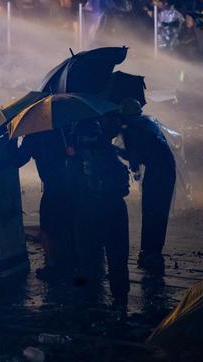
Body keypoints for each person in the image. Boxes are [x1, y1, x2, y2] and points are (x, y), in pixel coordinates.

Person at [70, 118, 130, 312]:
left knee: (87, 257)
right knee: (116, 257)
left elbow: (71, 188)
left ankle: (86, 296)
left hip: (89, 211)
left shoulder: (75, 158)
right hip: (112, 210)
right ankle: (120, 298)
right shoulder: (112, 154)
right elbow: (124, 188)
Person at [118, 98, 176, 275]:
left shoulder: (131, 129)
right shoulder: (147, 122)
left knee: (151, 209)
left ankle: (150, 252)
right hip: (165, 171)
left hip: (157, 172)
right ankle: (153, 251)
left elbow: (134, 159)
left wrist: (113, 150)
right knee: (158, 211)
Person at [15, 130, 75, 280]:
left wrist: (9, 145)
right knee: (68, 225)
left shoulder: (35, 133)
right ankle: (71, 262)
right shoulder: (65, 129)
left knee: (47, 228)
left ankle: (52, 265)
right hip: (72, 188)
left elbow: (20, 158)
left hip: (52, 189)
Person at [0, 136, 30, 278]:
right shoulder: (9, 162)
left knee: (5, 229)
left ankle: (8, 266)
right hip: (10, 196)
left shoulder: (1, 166)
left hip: (4, 199)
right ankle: (17, 264)